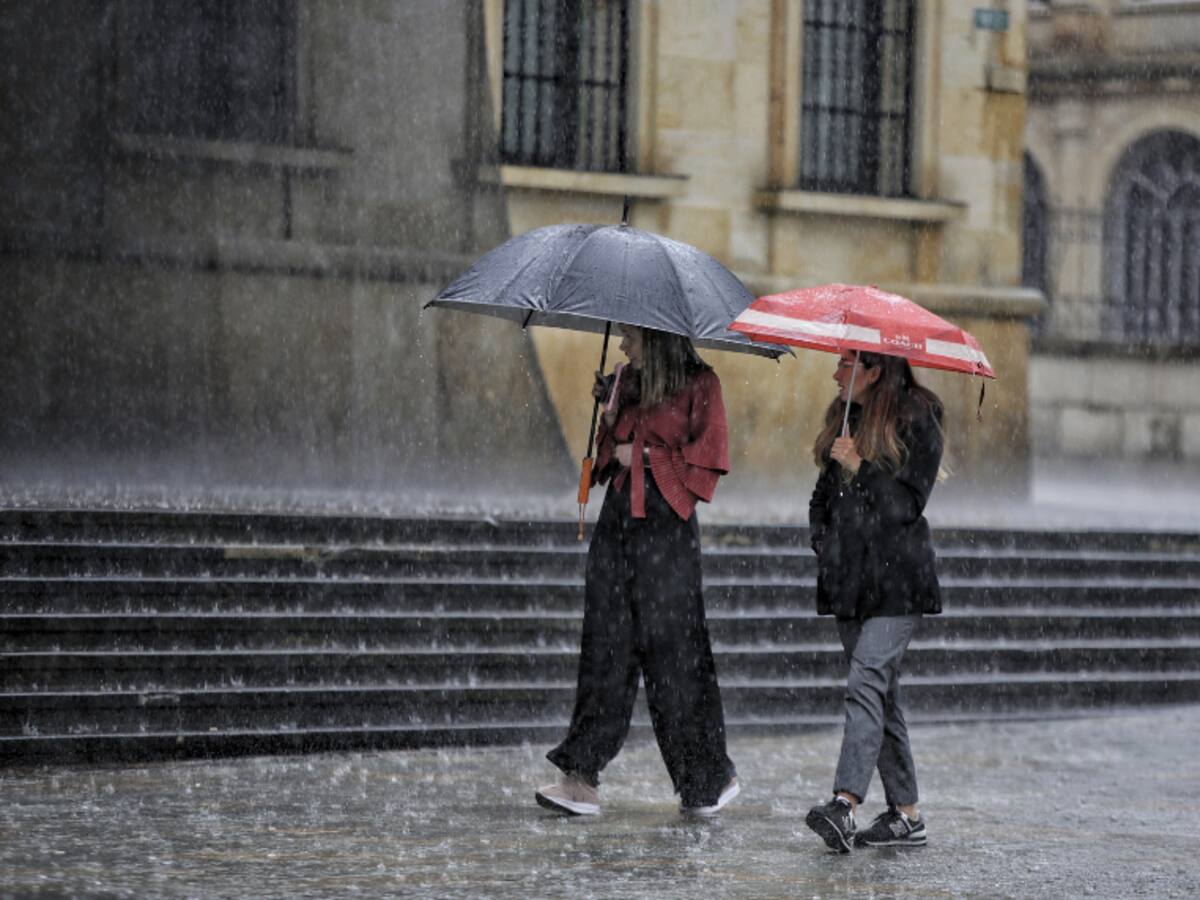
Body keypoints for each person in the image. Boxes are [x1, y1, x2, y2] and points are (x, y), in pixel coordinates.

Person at [535, 324, 739, 817]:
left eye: (632, 336)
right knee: (605, 646)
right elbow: (606, 461)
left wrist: (646, 456)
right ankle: (580, 778)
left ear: (659, 337)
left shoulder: (702, 384)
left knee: (675, 657)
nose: (623, 345)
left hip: (667, 532)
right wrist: (607, 417)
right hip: (617, 525)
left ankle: (706, 778)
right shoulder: (625, 380)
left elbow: (707, 464)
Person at [803, 349, 945, 852]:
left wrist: (860, 465)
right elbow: (822, 499)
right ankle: (906, 814)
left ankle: (844, 804)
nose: (835, 372)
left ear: (875, 371)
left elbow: (907, 504)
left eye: (846, 364)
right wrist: (824, 541)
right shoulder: (844, 418)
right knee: (879, 695)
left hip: (898, 582)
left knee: (865, 682)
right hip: (849, 583)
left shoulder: (919, 419)